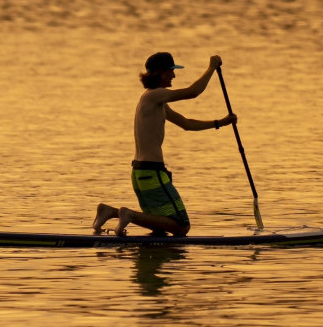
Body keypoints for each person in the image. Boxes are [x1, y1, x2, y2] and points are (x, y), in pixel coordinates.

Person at [92, 52, 237, 236]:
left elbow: (186, 124)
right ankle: (128, 214)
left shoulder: (154, 101)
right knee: (181, 226)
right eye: (171, 71)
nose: (174, 76)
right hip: (152, 173)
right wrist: (211, 68)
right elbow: (193, 92)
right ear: (159, 73)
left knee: (161, 226)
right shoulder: (154, 96)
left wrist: (219, 123)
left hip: (140, 173)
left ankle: (110, 212)